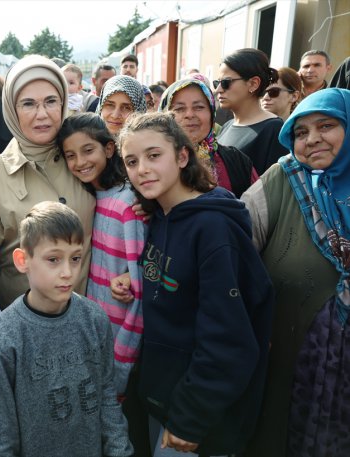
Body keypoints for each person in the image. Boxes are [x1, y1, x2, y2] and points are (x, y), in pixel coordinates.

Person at [120, 112, 273, 456]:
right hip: (164, 401)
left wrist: (191, 416)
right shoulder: (162, 215)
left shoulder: (214, 229)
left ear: (182, 156)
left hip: (200, 419)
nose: (142, 169)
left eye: (154, 155)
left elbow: (229, 338)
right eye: (131, 161)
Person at [241, 88, 350, 457]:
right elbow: (235, 250)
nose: (312, 139)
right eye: (301, 132)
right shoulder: (283, 179)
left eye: (326, 126)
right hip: (287, 358)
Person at [0, 201, 134, 457]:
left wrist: (120, 451)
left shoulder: (94, 319)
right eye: (53, 259)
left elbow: (107, 394)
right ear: (22, 260)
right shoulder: (6, 335)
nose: (67, 272)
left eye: (75, 258)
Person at [0, 55, 95, 309]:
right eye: (28, 104)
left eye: (51, 101)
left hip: (83, 314)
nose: (42, 114)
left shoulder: (86, 160)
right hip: (22, 319)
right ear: (11, 110)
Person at [58, 113, 149, 456]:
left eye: (88, 150)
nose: (80, 162)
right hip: (96, 340)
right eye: (70, 155)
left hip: (121, 348)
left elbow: (139, 289)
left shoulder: (128, 204)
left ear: (109, 149)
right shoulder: (92, 197)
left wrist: (120, 368)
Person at [159, 76, 258, 197]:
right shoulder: (154, 161)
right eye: (179, 109)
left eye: (199, 107)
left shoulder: (237, 161)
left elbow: (256, 204)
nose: (189, 114)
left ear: (212, 112)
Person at [215, 48, 288, 175]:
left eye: (226, 82)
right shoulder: (227, 125)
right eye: (217, 83)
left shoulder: (274, 129)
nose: (218, 90)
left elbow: (274, 182)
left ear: (253, 84)